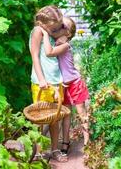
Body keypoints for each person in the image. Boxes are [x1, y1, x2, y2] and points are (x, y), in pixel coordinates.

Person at [43, 16, 90, 155]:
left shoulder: (65, 45)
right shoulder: (57, 42)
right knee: (66, 115)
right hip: (64, 86)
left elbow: (50, 52)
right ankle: (65, 142)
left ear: (68, 34)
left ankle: (87, 142)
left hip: (75, 83)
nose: (58, 27)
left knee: (82, 113)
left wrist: (46, 34)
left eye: (62, 26)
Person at [29, 5, 70, 162]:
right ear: (42, 23)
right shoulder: (38, 32)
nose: (56, 29)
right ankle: (38, 151)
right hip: (43, 82)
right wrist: (41, 79)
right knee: (40, 118)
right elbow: (35, 56)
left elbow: (67, 29)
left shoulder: (50, 31)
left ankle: (54, 150)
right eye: (53, 27)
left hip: (56, 80)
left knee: (55, 118)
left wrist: (65, 36)